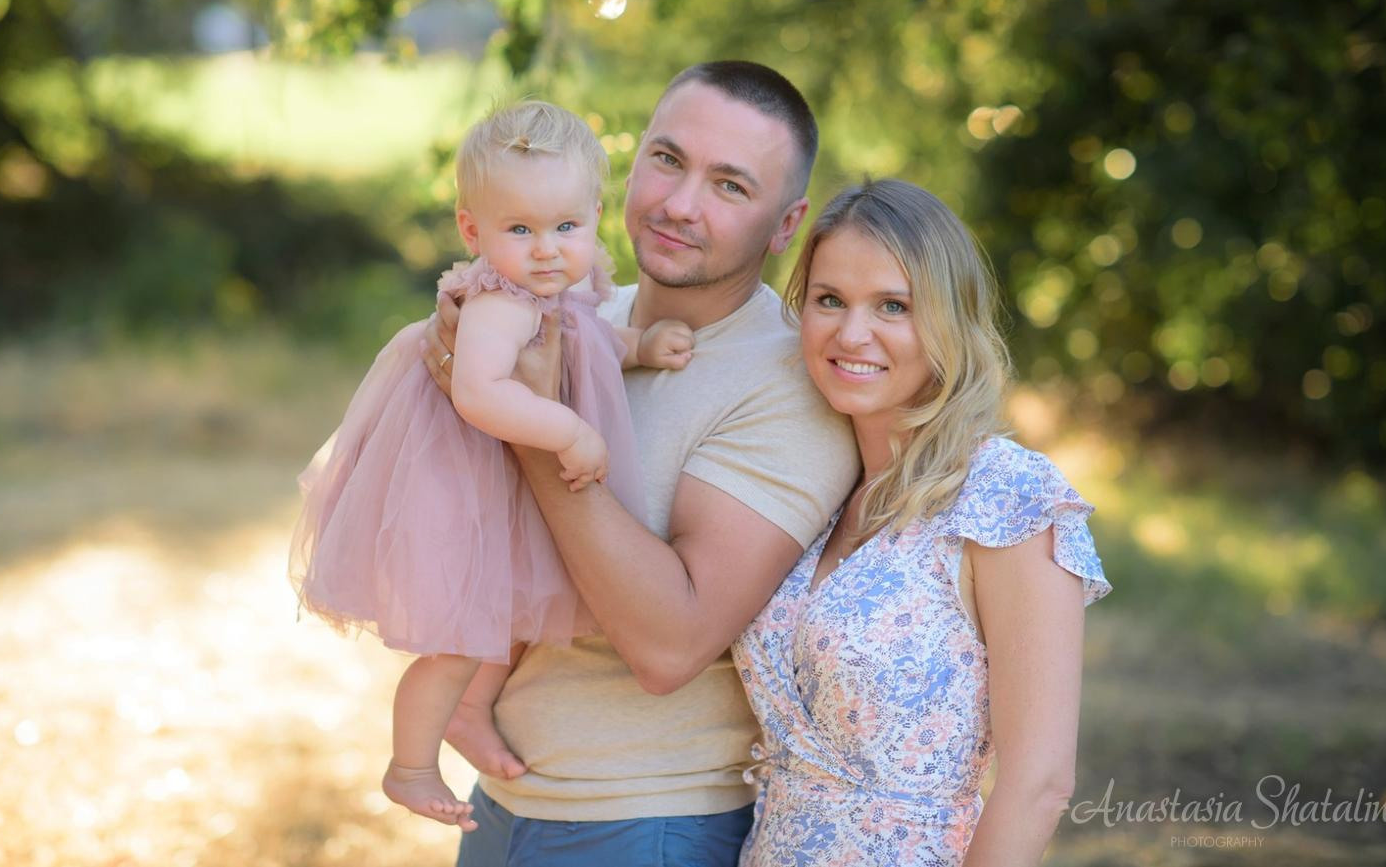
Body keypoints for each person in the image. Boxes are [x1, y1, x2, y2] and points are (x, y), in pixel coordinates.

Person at [421, 62, 860, 865]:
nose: (679, 204)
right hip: (502, 803)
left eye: (729, 186)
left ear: (786, 223)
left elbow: (670, 645)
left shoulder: (794, 387)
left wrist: (533, 426)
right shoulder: (577, 314)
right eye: (667, 159)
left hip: (642, 822)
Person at [289, 101, 695, 830]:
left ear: (593, 216)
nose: (546, 248)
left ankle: (472, 709)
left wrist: (641, 345)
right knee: (455, 642)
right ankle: (409, 765)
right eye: (520, 229)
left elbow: (586, 337)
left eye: (565, 227)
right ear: (471, 230)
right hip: (462, 478)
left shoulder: (554, 284)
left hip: (497, 481)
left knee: (506, 615)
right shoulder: (500, 302)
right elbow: (479, 391)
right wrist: (569, 430)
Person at [733, 179, 1111, 866]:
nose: (853, 333)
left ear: (948, 318)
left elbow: (1039, 783)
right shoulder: (818, 489)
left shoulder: (1005, 495)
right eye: (829, 300)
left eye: (893, 306)